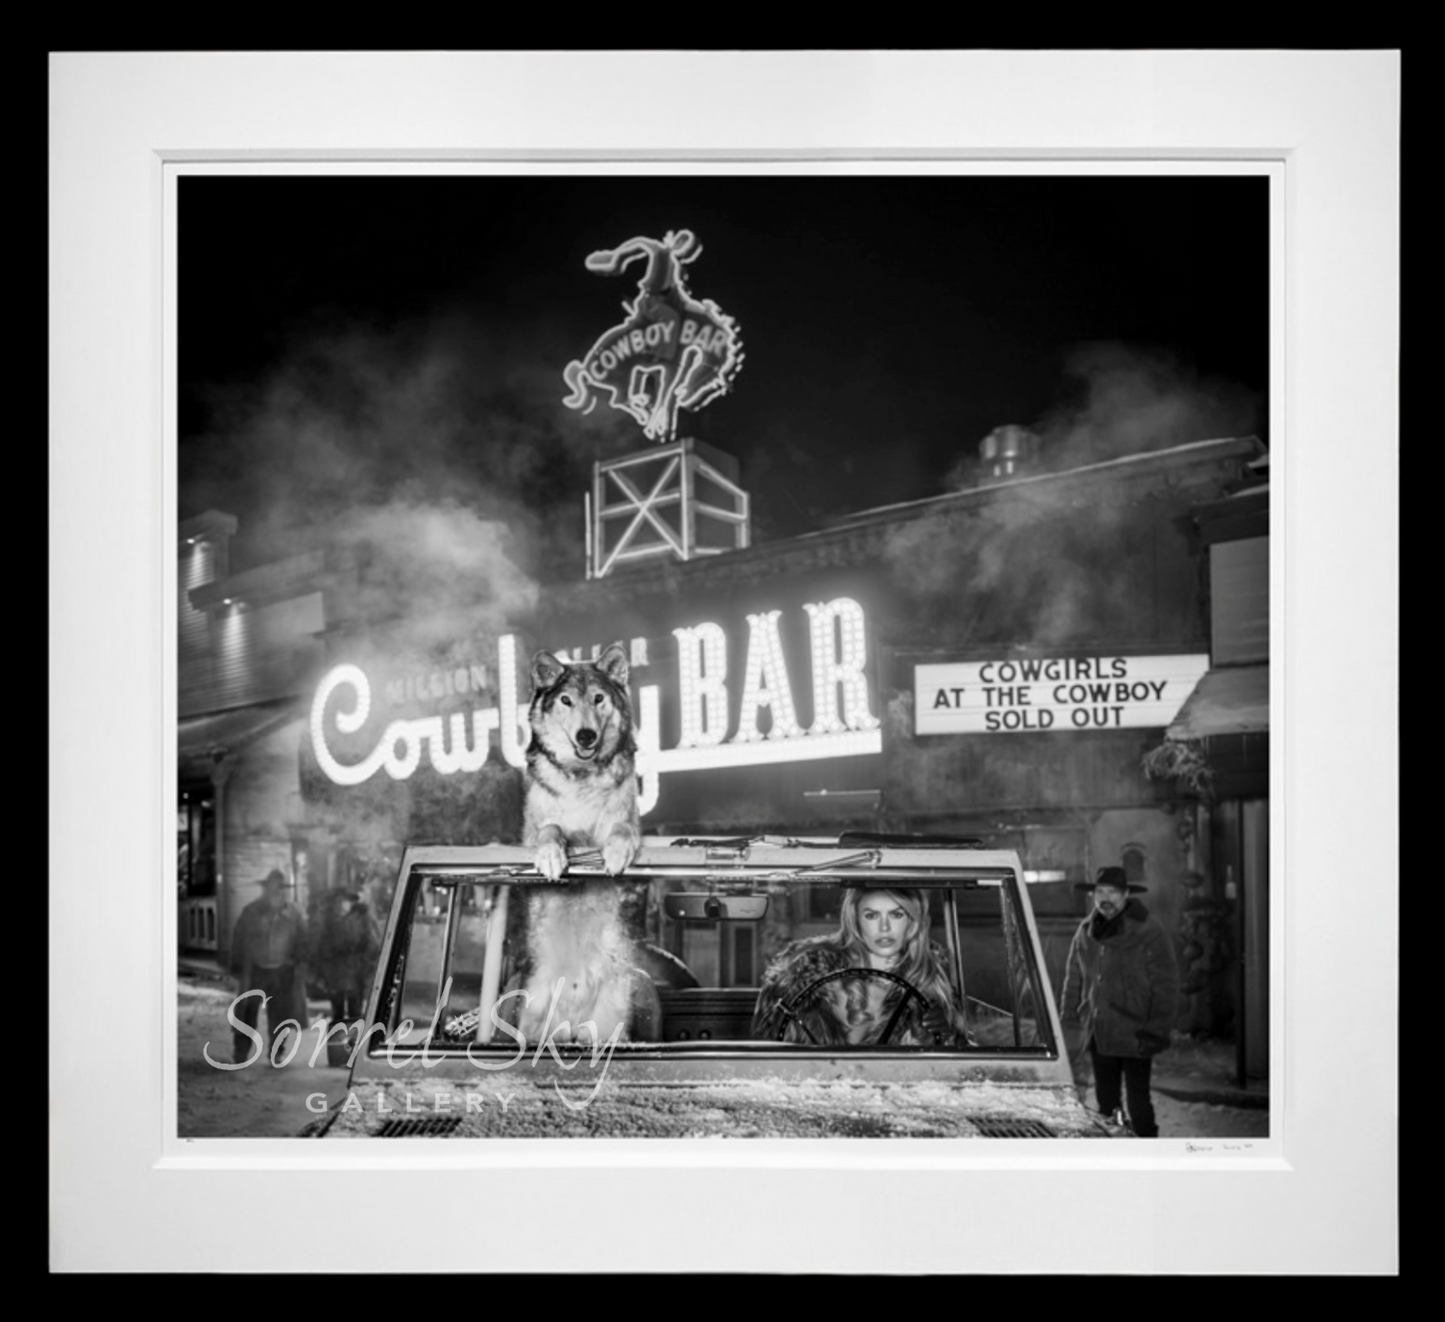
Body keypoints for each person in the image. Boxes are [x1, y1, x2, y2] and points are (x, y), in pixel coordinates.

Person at [752, 887, 971, 1046]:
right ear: (855, 920)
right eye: (871, 915)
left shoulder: (930, 979)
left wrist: (941, 1035)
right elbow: (767, 1048)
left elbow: (954, 1066)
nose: (884, 927)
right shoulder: (802, 971)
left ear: (913, 922)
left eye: (896, 914)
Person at [1060, 865, 1181, 1137]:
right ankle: (1114, 1159)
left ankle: (1149, 1157)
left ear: (1126, 894)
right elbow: (1074, 980)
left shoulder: (1148, 930)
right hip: (1099, 1031)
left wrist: (1157, 1029)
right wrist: (1069, 1021)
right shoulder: (1086, 930)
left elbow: (1167, 984)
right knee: (1107, 1104)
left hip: (1137, 1033)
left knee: (1139, 1104)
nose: (1105, 898)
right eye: (1100, 892)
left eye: (1112, 892)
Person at [228, 868, 309, 1065]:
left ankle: (277, 1053)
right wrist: (236, 965)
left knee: (280, 1016)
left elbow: (303, 941)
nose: (279, 892)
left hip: (282, 972)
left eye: (282, 889)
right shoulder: (251, 912)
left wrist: (298, 963)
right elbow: (238, 939)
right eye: (274, 888)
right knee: (247, 1013)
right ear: (266, 889)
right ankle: (241, 1052)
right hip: (254, 970)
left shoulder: (295, 914)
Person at [308, 886, 381, 1025]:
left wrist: (365, 967)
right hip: (334, 975)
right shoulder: (326, 922)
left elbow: (373, 945)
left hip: (356, 973)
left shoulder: (362, 919)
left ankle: (356, 1044)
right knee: (338, 1016)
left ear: (351, 903)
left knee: (355, 1013)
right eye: (337, 901)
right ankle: (338, 1044)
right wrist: (322, 974)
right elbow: (317, 948)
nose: (340, 905)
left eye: (344, 901)